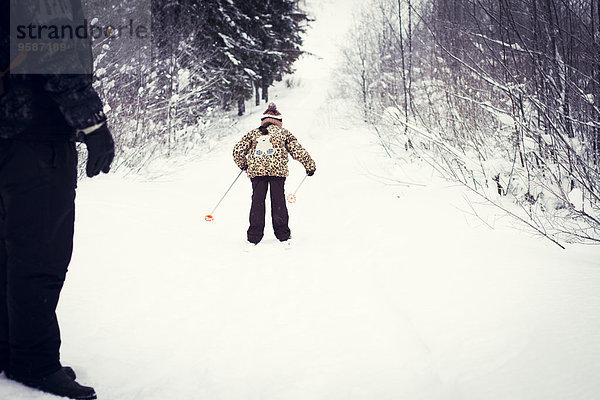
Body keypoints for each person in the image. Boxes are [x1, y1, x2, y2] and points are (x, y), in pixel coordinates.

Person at [0, 1, 114, 399]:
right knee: (39, 257)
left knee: (8, 252)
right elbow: (56, 48)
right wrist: (92, 123)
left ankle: (12, 349)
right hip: (35, 138)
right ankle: (32, 361)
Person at [233, 102, 316, 245]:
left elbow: (237, 151)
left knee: (257, 202)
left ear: (263, 121)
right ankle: (282, 234)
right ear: (279, 121)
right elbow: (298, 151)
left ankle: (254, 236)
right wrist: (310, 166)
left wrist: (244, 166)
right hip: (277, 172)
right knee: (278, 201)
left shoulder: (253, 133)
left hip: (257, 172)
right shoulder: (284, 133)